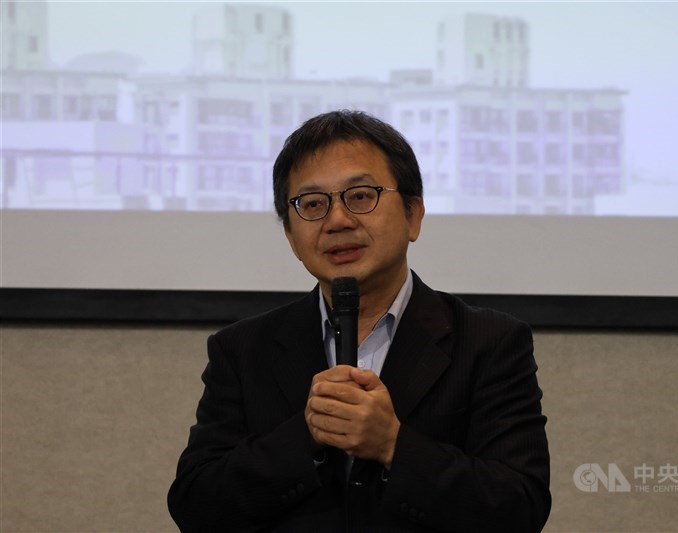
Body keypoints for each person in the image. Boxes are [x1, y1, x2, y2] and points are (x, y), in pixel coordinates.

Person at [167, 110, 551, 532]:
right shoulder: (242, 349)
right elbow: (196, 506)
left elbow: (521, 508)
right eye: (313, 204)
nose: (337, 221)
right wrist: (304, 436)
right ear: (292, 238)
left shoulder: (489, 341)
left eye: (361, 196)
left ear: (413, 215)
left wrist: (393, 446)